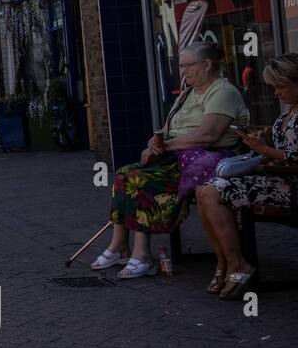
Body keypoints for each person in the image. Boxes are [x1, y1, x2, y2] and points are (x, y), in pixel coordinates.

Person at [92, 41, 248, 278]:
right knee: (124, 174)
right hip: (177, 158)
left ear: (207, 65)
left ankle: (142, 254)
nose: (183, 71)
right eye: (181, 66)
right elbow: (166, 130)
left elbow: (209, 135)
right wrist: (153, 145)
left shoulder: (223, 92)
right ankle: (120, 245)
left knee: (140, 180)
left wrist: (165, 147)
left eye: (188, 66)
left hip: (207, 160)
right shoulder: (186, 94)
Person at [196, 53, 298, 300]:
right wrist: (262, 136)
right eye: (274, 87)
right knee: (204, 191)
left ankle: (235, 265)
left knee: (211, 192)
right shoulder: (290, 110)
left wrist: (263, 150)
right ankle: (225, 262)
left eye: (282, 87)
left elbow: (295, 157)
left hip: (293, 185)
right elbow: (286, 144)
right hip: (279, 179)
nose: (276, 93)